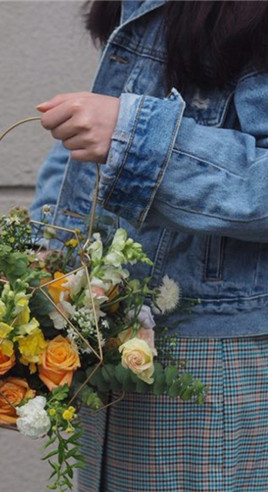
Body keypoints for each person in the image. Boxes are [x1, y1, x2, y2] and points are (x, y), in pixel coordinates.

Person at [28, 1, 268, 491]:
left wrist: (134, 140)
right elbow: (82, 147)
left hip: (216, 360)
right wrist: (44, 257)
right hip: (116, 348)